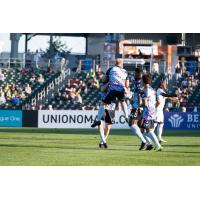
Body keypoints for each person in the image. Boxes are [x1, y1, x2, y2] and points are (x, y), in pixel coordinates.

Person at [91, 59, 129, 127]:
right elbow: (127, 85)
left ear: (115, 63)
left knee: (103, 104)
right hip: (121, 89)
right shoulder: (125, 71)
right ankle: (126, 116)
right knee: (123, 102)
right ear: (121, 64)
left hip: (113, 90)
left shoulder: (111, 69)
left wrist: (109, 80)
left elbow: (104, 79)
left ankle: (98, 120)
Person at [128, 68, 152, 150]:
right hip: (139, 106)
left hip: (137, 107)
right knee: (140, 126)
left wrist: (139, 106)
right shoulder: (137, 83)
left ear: (140, 74)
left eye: (136, 73)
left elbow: (142, 95)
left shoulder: (139, 84)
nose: (135, 75)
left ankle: (145, 141)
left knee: (131, 124)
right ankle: (148, 143)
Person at [140, 74, 163, 151]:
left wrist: (139, 105)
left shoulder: (144, 91)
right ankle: (152, 144)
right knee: (143, 130)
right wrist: (153, 107)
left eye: (141, 80)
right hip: (152, 111)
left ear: (143, 81)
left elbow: (145, 103)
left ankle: (158, 145)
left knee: (147, 130)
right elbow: (159, 102)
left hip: (147, 112)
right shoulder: (153, 90)